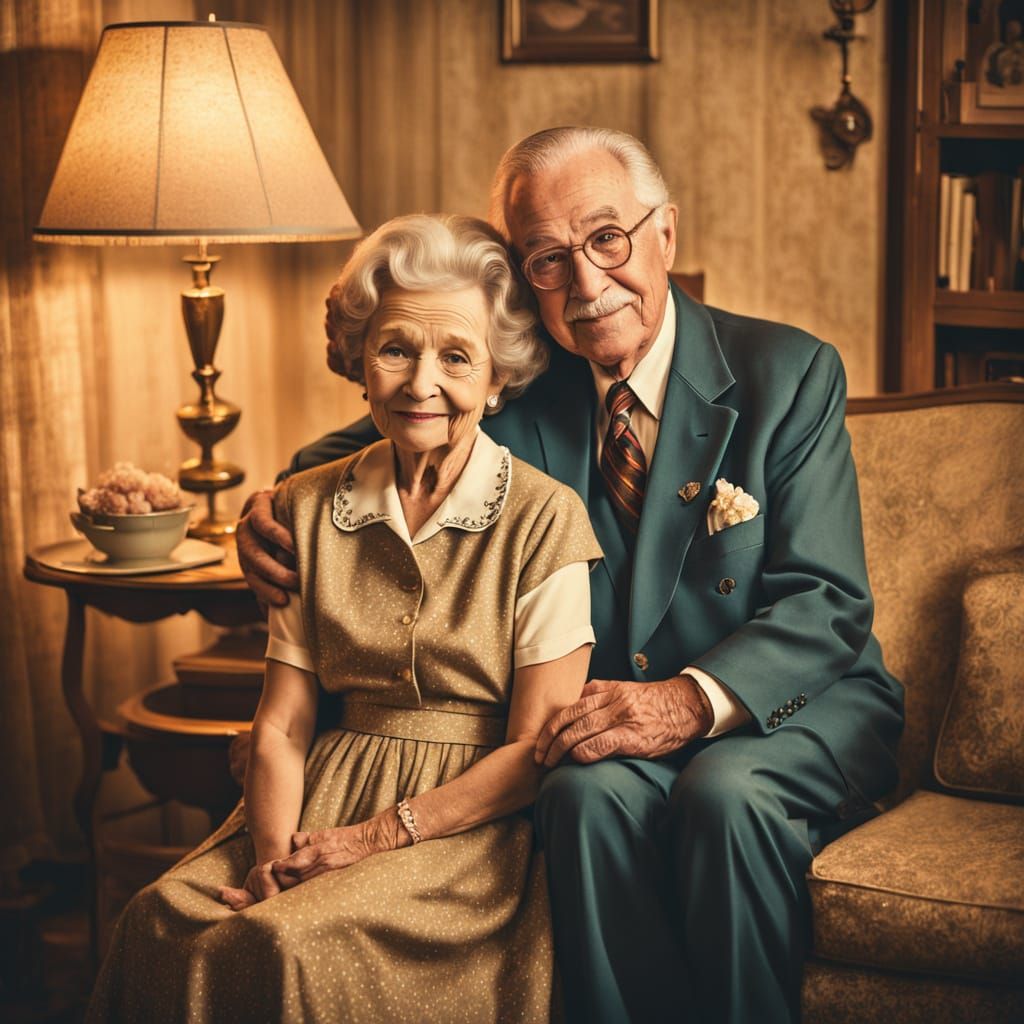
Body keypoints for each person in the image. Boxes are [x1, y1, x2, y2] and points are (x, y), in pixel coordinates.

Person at [239, 127, 905, 1024]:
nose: (587, 285)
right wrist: (270, 504)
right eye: (548, 259)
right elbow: (367, 438)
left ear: (665, 232)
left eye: (607, 239)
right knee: (579, 794)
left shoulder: (786, 372)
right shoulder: (524, 382)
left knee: (723, 795)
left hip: (788, 704)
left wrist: (687, 700)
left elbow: (829, 604)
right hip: (604, 723)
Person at [87, 213, 602, 1023]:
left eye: (457, 357)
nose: (420, 382)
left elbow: (534, 751)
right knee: (160, 916)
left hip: (462, 830)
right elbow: (283, 726)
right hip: (308, 800)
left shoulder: (546, 519)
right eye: (396, 349)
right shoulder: (306, 507)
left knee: (288, 942)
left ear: (498, 379)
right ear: (360, 363)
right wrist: (268, 857)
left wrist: (375, 838)